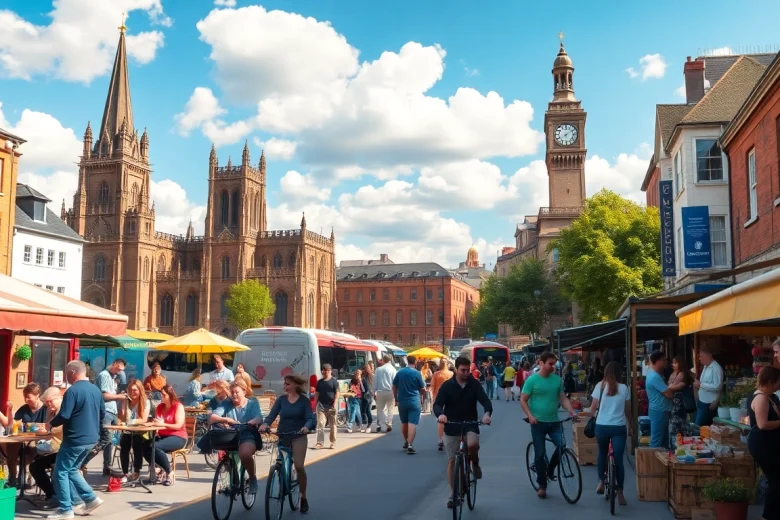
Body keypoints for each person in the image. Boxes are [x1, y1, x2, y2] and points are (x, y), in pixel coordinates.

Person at [47, 360, 104, 519]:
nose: (67, 377)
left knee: (61, 471)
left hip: (75, 438)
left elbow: (64, 415)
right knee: (72, 469)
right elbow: (103, 414)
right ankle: (91, 499)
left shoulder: (72, 391)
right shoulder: (96, 390)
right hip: (91, 437)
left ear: (72, 373)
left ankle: (66, 509)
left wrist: (49, 424)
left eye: (67, 374)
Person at [434, 356, 493, 509]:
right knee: (452, 460)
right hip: (452, 425)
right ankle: (453, 493)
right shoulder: (447, 386)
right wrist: (441, 414)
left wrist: (487, 414)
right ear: (456, 369)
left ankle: (475, 462)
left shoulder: (474, 384)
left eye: (468, 370)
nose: (466, 373)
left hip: (470, 423)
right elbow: (438, 404)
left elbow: (485, 401)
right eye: (463, 370)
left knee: (473, 444)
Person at [520, 352, 577, 499]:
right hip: (537, 423)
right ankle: (542, 485)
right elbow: (523, 399)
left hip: (554, 421)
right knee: (539, 454)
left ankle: (550, 470)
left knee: (562, 445)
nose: (553, 367)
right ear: (541, 363)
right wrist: (530, 416)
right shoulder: (532, 380)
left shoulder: (557, 380)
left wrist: (571, 411)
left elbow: (563, 398)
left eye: (554, 364)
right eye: (550, 364)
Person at [261, 374, 315, 514]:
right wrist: (265, 424)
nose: (285, 386)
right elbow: (272, 415)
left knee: (298, 466)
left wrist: (306, 427)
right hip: (283, 435)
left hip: (298, 436)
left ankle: (303, 496)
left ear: (296, 385)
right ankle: (283, 478)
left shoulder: (304, 401)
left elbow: (310, 418)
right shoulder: (281, 400)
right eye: (284, 384)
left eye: (288, 384)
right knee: (281, 463)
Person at [29, 387, 85, 511]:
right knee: (35, 464)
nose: (48, 404)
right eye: (46, 402)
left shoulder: (63, 411)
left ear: (58, 397)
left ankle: (64, 498)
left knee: (41, 465)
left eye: (50, 401)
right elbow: (48, 426)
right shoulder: (55, 411)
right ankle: (53, 495)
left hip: (62, 449)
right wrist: (48, 418)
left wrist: (48, 428)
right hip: (57, 448)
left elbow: (59, 429)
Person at [209, 379, 263, 493]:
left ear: (244, 391)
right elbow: (212, 417)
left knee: (245, 454)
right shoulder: (227, 403)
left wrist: (253, 421)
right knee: (224, 451)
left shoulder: (252, 403)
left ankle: (252, 477)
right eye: (232, 392)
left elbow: (259, 417)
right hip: (231, 434)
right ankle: (233, 476)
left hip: (248, 432)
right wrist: (226, 419)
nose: (233, 395)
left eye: (236, 392)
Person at [589, 361, 631, 506]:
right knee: (618, 459)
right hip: (618, 428)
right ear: (620, 373)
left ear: (605, 372)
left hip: (602, 427)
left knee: (602, 452)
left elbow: (592, 409)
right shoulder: (625, 388)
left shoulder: (599, 386)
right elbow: (627, 410)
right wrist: (630, 425)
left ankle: (601, 481)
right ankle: (620, 492)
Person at [747, 366, 780, 520]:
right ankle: (768, 516)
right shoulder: (761, 397)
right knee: (776, 478)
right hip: (762, 443)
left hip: (771, 442)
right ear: (771, 382)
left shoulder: (772, 396)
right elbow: (762, 424)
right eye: (778, 381)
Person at [3, 382, 47, 487]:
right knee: (11, 448)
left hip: (40, 439)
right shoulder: (24, 408)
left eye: (28, 397)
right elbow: (11, 423)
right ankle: (13, 479)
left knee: (30, 449)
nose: (26, 400)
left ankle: (25, 479)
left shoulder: (45, 409)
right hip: (23, 438)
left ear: (38, 395)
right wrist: (9, 410)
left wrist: (32, 426)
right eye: (24, 397)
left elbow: (47, 426)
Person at [145, 385, 187, 486]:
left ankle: (169, 472)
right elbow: (158, 422)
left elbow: (178, 425)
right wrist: (153, 423)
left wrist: (163, 424)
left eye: (164, 395)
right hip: (163, 435)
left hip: (178, 437)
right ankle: (160, 468)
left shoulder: (178, 406)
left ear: (170, 395)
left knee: (155, 447)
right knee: (144, 445)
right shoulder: (160, 407)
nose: (161, 397)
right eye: (160, 394)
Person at [94, 358, 127, 475]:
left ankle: (107, 467)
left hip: (112, 411)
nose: (119, 372)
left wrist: (119, 395)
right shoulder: (104, 375)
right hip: (105, 411)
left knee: (110, 442)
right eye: (119, 368)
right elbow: (104, 396)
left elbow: (112, 394)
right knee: (105, 439)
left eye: (121, 370)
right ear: (114, 364)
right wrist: (120, 397)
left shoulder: (112, 377)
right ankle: (82, 462)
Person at [645, 351, 685, 449]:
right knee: (657, 441)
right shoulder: (654, 376)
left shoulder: (654, 375)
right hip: (659, 411)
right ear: (657, 361)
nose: (665, 363)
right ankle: (654, 463)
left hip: (660, 410)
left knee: (663, 441)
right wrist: (673, 390)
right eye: (663, 360)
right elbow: (668, 394)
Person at [393, 354, 426, 454]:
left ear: (407, 361)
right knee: (412, 423)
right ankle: (410, 445)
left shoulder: (400, 372)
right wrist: (423, 394)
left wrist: (396, 399)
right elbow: (422, 388)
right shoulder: (417, 373)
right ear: (415, 362)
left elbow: (394, 386)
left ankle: (406, 441)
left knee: (404, 422)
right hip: (414, 400)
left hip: (402, 401)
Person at [118, 379, 150, 483]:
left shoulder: (145, 401)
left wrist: (131, 421)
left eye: (135, 390)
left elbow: (143, 419)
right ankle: (125, 472)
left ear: (140, 390)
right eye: (130, 390)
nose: (132, 392)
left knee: (137, 443)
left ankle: (136, 471)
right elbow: (122, 417)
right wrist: (123, 403)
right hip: (128, 430)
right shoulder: (127, 400)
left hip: (140, 431)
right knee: (124, 444)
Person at [668, 356, 694, 449]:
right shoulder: (674, 374)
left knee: (677, 428)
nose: (673, 365)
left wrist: (671, 385)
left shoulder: (683, 375)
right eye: (673, 363)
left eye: (675, 363)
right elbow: (670, 385)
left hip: (680, 406)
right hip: (675, 405)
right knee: (677, 428)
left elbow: (671, 386)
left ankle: (677, 447)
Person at [694, 347, 723, 427]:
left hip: (709, 403)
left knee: (698, 426)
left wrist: (700, 385)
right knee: (703, 427)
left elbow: (718, 386)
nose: (699, 359)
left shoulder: (716, 368)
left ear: (708, 356)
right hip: (702, 401)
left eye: (701, 356)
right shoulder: (706, 367)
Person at [314, 364, 339, 449]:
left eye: (328, 370)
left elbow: (337, 393)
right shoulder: (319, 382)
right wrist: (315, 404)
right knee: (320, 424)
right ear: (322, 371)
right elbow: (317, 394)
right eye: (325, 370)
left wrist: (334, 403)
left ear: (331, 371)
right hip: (321, 405)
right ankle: (320, 443)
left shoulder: (334, 381)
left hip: (331, 406)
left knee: (333, 424)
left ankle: (333, 442)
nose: (327, 372)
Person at [431, 358, 454, 450]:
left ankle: (441, 439)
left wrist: (433, 399)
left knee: (441, 419)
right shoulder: (452, 374)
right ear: (448, 364)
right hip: (451, 399)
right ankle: (449, 438)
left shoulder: (436, 374)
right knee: (450, 419)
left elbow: (432, 386)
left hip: (439, 399)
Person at [374, 355, 397, 433]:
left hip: (380, 391)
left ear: (383, 360)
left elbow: (375, 382)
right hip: (390, 391)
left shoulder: (378, 369)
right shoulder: (393, 369)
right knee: (390, 408)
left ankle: (383, 426)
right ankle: (389, 423)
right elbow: (395, 382)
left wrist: (374, 391)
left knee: (380, 409)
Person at [360, 362, 374, 431]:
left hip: (367, 395)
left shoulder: (368, 377)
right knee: (365, 410)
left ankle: (368, 424)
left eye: (365, 369)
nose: (364, 370)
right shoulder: (365, 376)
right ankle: (366, 424)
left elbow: (367, 387)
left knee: (366, 410)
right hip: (367, 395)